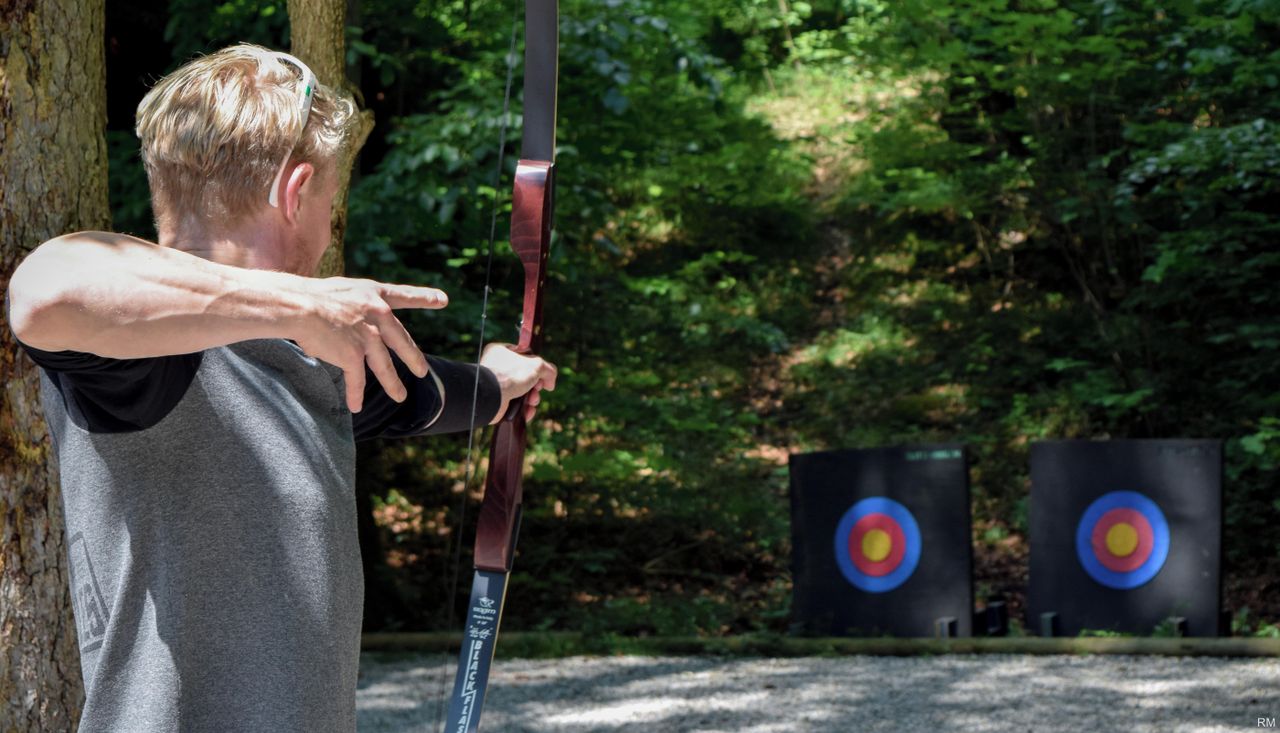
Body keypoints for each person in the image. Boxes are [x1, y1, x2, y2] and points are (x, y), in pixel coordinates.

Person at [5, 43, 556, 731]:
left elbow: (427, 392)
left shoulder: (311, 362)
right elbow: (42, 293)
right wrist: (297, 304)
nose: (328, 230)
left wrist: (505, 378)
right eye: (329, 202)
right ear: (296, 192)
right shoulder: (149, 363)